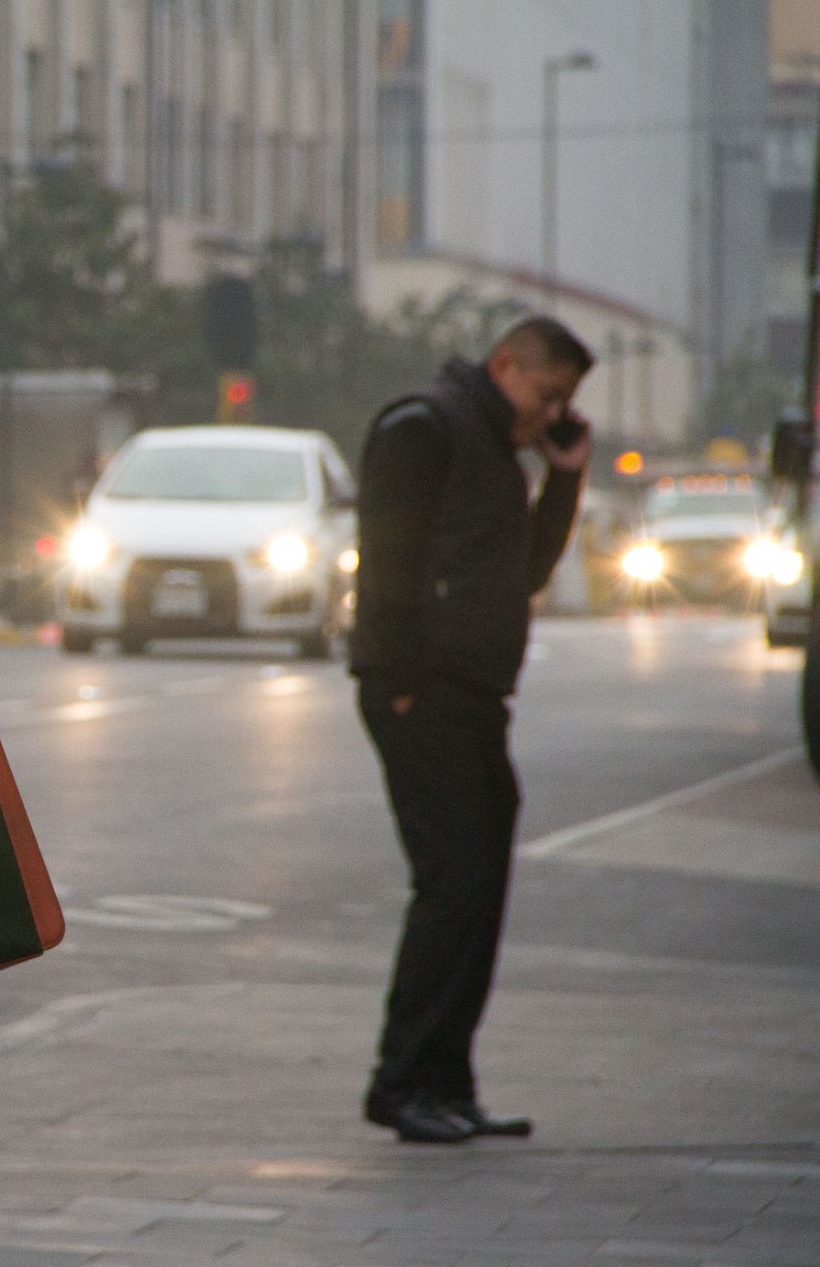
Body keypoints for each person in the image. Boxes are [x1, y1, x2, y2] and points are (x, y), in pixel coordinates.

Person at [350, 315, 594, 1144]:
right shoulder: (423, 426)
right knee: (452, 883)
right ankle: (401, 1081)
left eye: (562, 402)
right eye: (547, 394)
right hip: (427, 695)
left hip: (477, 697)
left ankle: (447, 1081)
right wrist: (402, 682)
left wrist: (563, 477)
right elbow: (384, 562)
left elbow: (524, 570)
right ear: (505, 365)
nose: (550, 413)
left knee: (480, 885)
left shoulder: (497, 451)